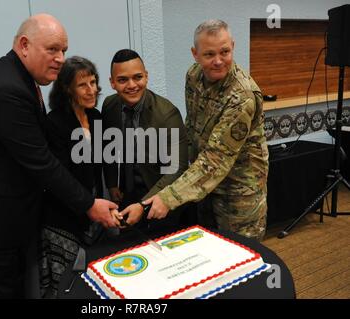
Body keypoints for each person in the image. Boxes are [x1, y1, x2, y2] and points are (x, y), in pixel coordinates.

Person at [0, 14, 119, 299]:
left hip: (7, 223)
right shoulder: (7, 89)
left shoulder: (22, 79)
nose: (60, 58)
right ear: (24, 45)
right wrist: (89, 204)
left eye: (64, 51)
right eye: (53, 49)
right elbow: (40, 161)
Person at [143, 20, 269, 241]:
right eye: (209, 54)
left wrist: (170, 197)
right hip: (203, 184)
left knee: (240, 255)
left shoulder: (242, 96)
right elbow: (192, 126)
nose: (218, 61)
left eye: (225, 52)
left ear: (233, 46)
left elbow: (217, 159)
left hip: (239, 190)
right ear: (195, 54)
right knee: (208, 246)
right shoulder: (193, 76)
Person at [39, 56, 105, 298]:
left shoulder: (97, 117)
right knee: (64, 283)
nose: (92, 90)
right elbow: (59, 176)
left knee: (94, 278)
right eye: (83, 85)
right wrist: (86, 204)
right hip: (62, 216)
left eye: (94, 82)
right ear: (67, 88)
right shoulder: (54, 123)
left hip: (93, 210)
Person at [102, 49, 188, 232]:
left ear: (146, 77)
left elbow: (177, 169)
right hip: (127, 194)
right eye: (123, 80)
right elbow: (108, 147)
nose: (132, 85)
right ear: (112, 83)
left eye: (138, 77)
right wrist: (111, 183)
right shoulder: (109, 106)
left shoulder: (167, 114)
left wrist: (143, 205)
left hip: (161, 197)